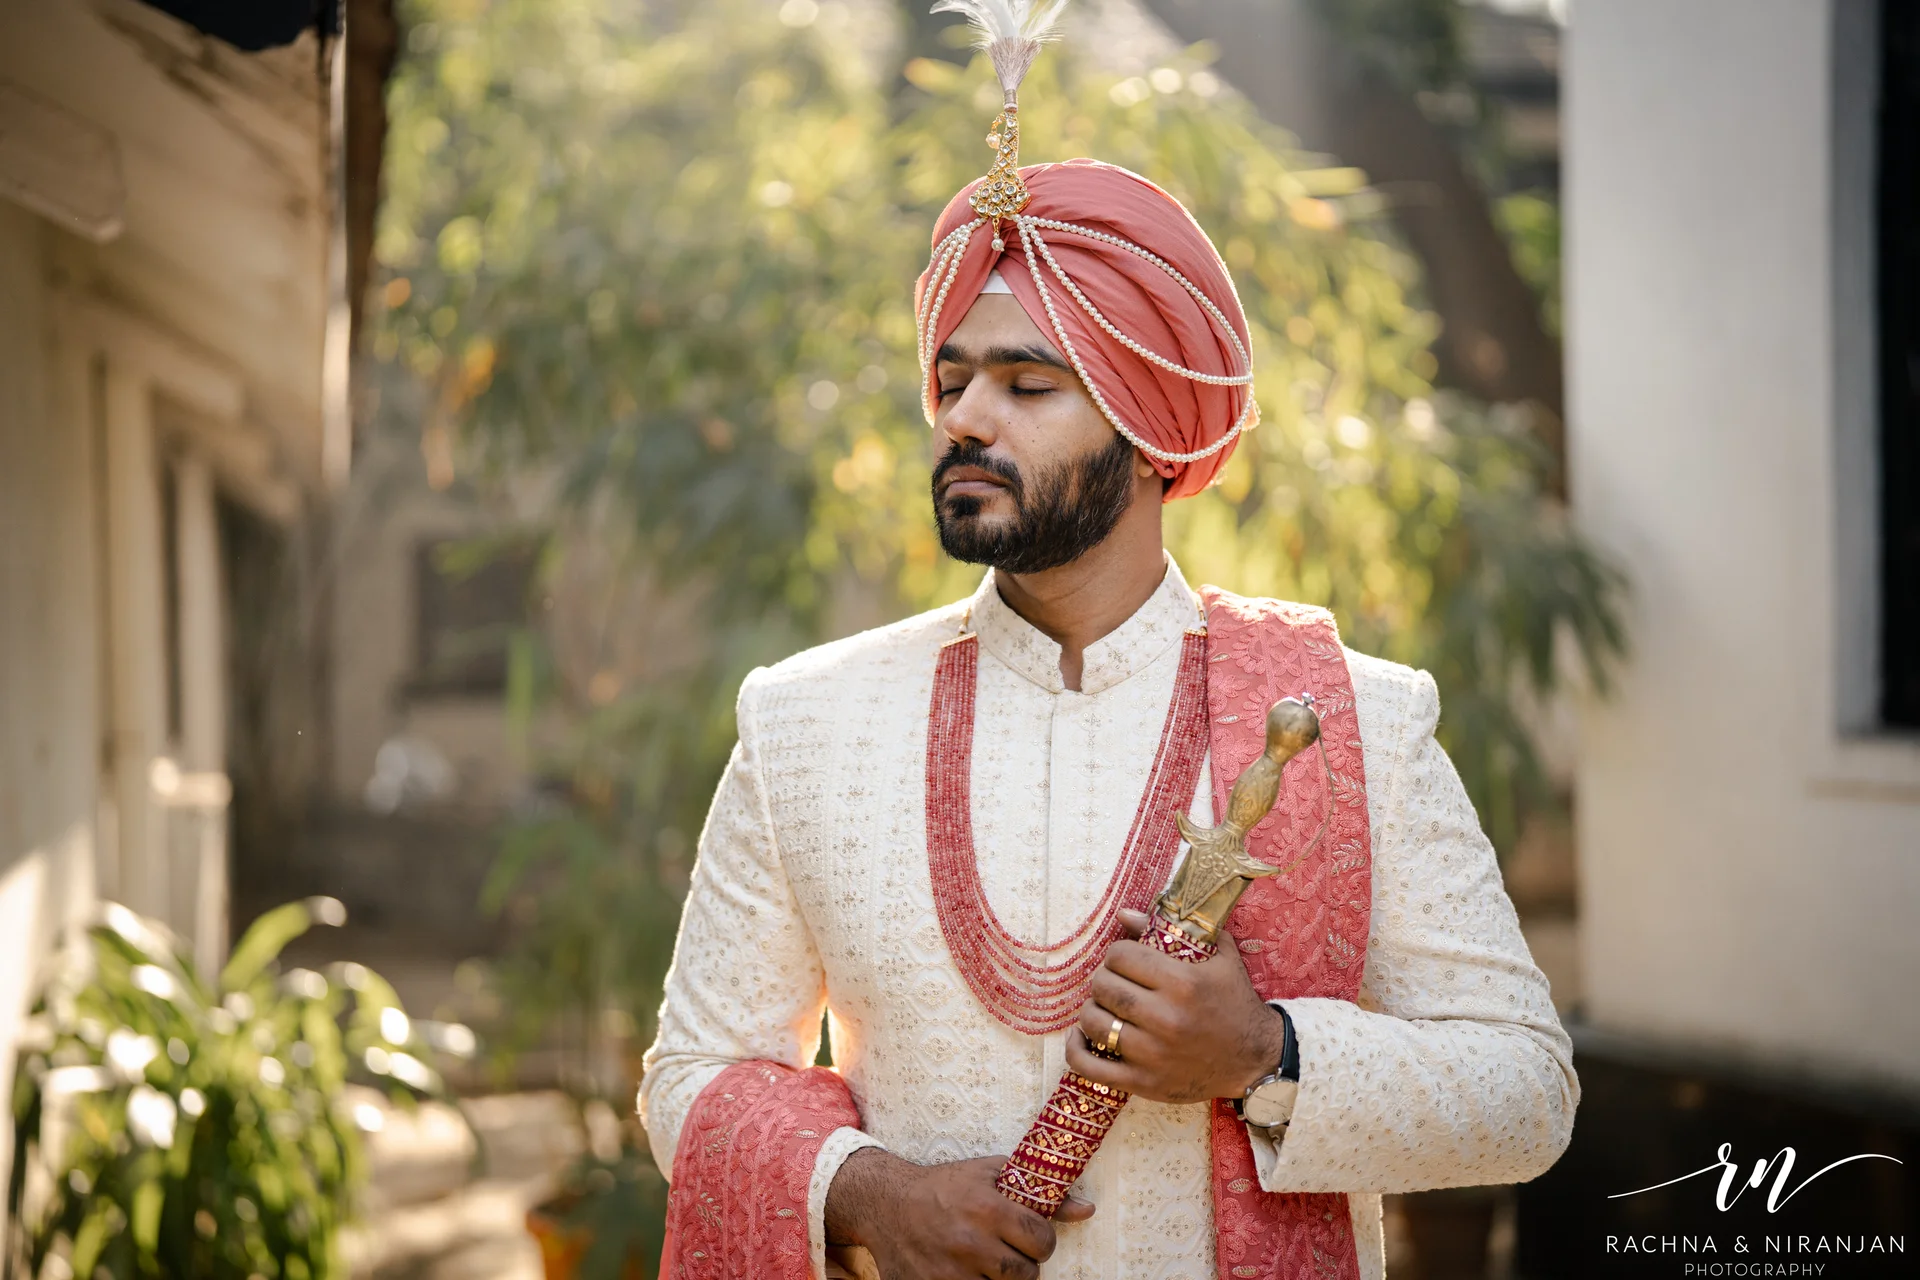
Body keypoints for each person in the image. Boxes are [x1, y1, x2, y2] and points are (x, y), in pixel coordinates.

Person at [640, 9, 1576, 1279]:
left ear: (1149, 431)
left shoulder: (1345, 720)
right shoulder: (808, 721)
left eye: (1028, 386)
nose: (965, 415)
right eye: (953, 377)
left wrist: (1266, 1054)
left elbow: (1527, 1090)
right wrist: (871, 1194)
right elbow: (692, 1076)